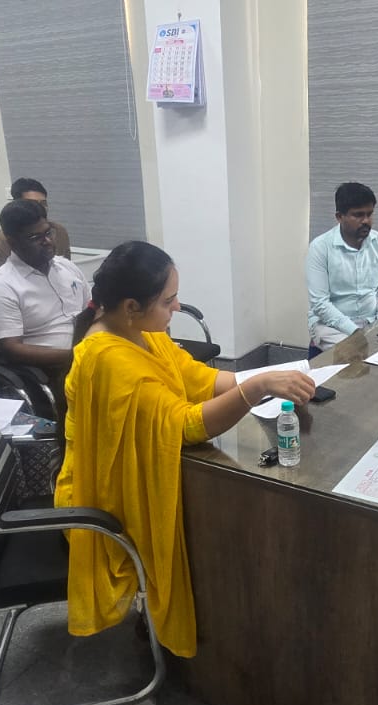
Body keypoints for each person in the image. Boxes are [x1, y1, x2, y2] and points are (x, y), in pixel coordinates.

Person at [56, 241, 316, 658]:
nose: (177, 308)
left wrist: (275, 378)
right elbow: (184, 426)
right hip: (106, 499)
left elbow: (198, 379)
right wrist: (256, 388)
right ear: (131, 306)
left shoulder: (139, 332)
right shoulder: (107, 359)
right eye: (168, 301)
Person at [0, 199, 91, 372]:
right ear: (12, 242)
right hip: (53, 368)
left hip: (89, 353)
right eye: (35, 237)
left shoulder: (66, 267)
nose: (47, 241)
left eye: (48, 232)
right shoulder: (2, 287)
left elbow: (91, 311)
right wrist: (75, 356)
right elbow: (12, 349)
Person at [306, 182, 378, 352]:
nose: (366, 221)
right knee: (357, 353)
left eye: (369, 214)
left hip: (371, 321)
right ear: (339, 217)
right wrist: (355, 332)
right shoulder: (320, 247)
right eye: (358, 215)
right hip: (331, 326)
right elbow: (320, 304)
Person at [0, 177, 71, 281]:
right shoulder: (2, 239)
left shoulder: (58, 231)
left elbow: (66, 269)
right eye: (32, 204)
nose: (40, 208)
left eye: (43, 203)